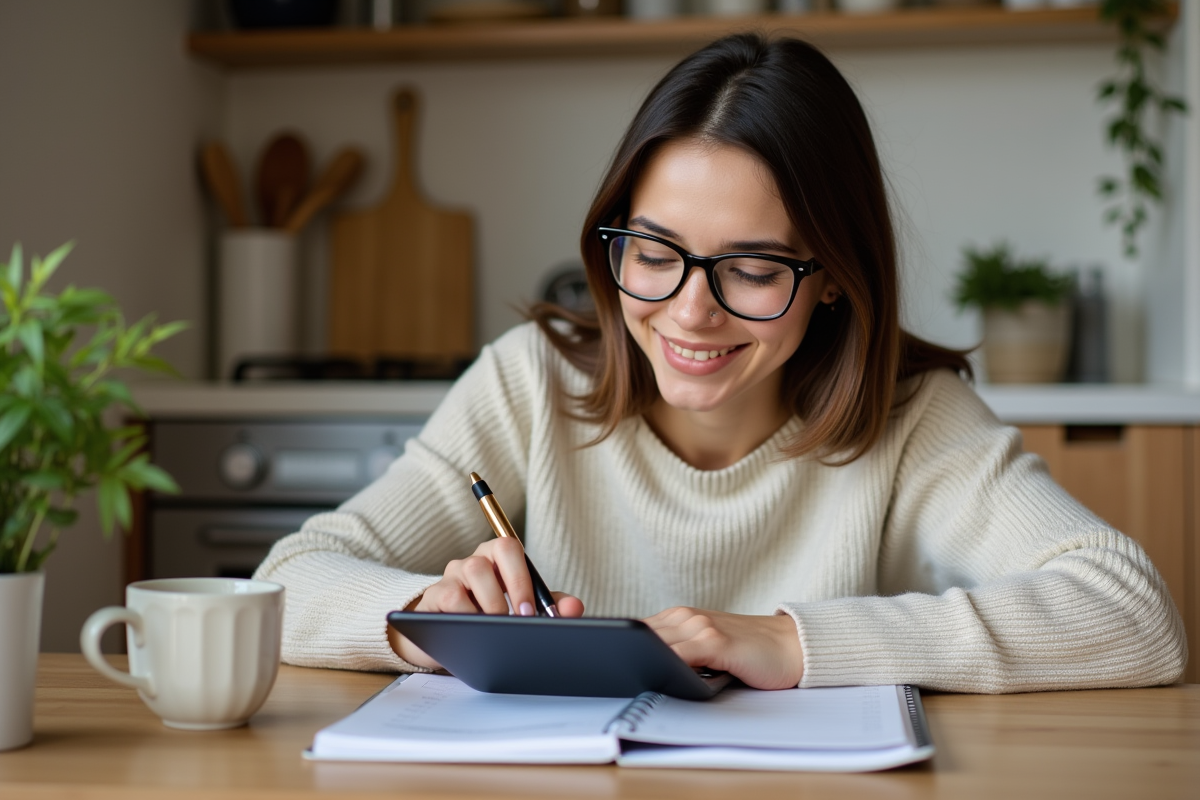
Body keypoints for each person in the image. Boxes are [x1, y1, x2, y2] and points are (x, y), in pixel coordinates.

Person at [256, 34, 1185, 693]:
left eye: (750, 268)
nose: (689, 311)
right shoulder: (531, 380)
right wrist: (429, 617)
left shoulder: (912, 418)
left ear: (831, 276)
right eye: (654, 254)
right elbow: (286, 580)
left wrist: (792, 641)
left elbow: (1133, 615)